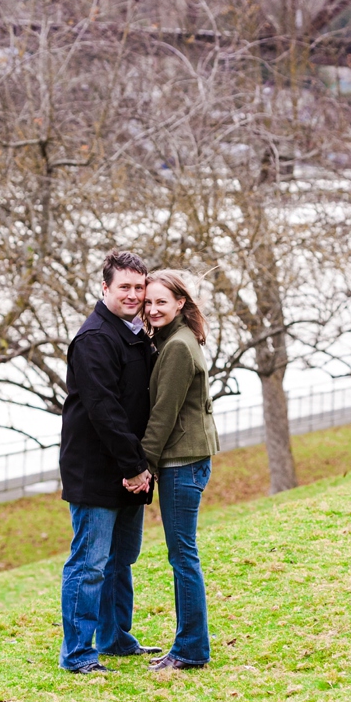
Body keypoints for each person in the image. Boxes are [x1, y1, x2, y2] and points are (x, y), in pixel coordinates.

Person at [58, 250, 162, 673]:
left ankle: (116, 639)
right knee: (89, 564)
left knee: (122, 559)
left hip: (128, 468)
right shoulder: (95, 338)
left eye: (140, 287)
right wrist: (134, 467)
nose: (134, 295)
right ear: (105, 289)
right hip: (98, 470)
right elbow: (105, 411)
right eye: (125, 287)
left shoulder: (135, 334)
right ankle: (79, 654)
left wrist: (138, 467)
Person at [124, 270, 219, 670]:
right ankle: (188, 645)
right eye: (148, 303)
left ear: (180, 303)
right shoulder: (170, 341)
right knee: (183, 555)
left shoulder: (178, 347)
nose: (153, 309)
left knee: (183, 557)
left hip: (183, 462)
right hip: (185, 459)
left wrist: (142, 466)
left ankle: (191, 650)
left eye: (162, 302)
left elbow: (163, 415)